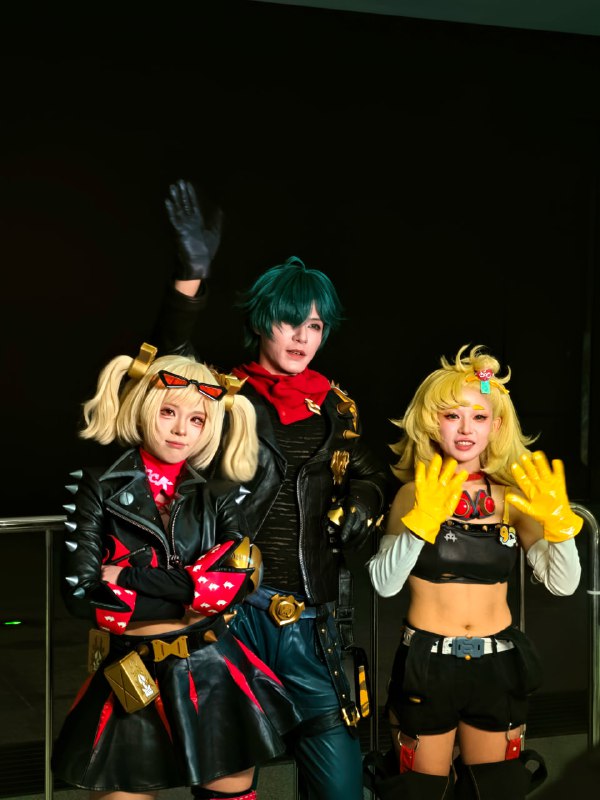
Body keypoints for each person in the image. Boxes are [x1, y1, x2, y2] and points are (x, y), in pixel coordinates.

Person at [151, 178, 392, 800]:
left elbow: (369, 470)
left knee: (341, 787)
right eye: (289, 321)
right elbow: (165, 367)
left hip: (312, 625)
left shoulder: (335, 406)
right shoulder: (222, 393)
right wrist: (190, 278)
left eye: (314, 324)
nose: (302, 337)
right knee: (228, 787)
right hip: (234, 617)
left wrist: (365, 498)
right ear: (262, 321)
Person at [51, 345, 302, 800]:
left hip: (212, 668)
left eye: (197, 419)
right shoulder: (96, 485)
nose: (181, 429)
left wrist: (129, 579)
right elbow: (82, 595)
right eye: (168, 411)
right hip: (131, 670)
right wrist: (194, 591)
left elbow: (239, 583)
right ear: (144, 406)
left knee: (230, 790)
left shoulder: (219, 493)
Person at [365, 344, 583, 799]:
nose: (466, 429)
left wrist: (561, 530)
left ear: (496, 425)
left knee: (495, 790)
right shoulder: (411, 495)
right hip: (427, 665)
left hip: (497, 665)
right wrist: (421, 524)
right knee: (420, 792)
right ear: (432, 421)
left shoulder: (513, 499)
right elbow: (383, 583)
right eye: (452, 415)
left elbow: (563, 585)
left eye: (479, 417)